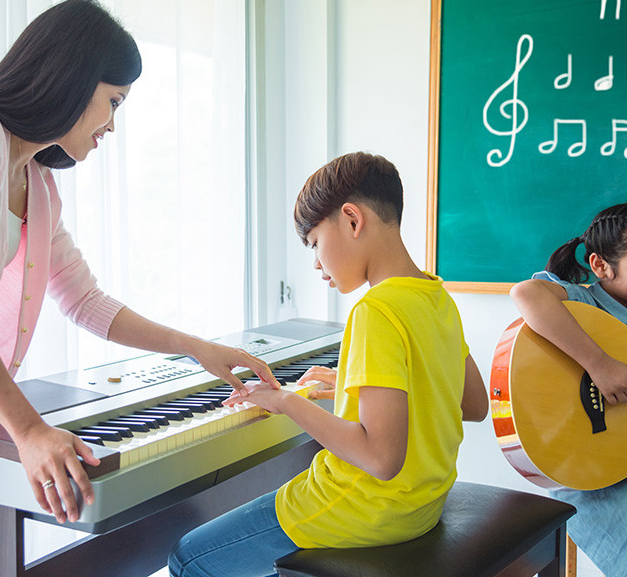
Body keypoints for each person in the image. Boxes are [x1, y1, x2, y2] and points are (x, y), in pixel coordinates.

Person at [0, 0, 278, 577]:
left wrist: (196, 348)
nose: (113, 124)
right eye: (113, 102)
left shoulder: (37, 186)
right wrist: (29, 431)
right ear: (71, 77)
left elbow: (85, 301)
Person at [167, 151, 489, 577]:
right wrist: (357, 386)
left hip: (363, 511)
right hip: (420, 508)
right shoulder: (436, 296)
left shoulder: (375, 311)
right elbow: (473, 404)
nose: (317, 264)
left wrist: (286, 401)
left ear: (353, 220)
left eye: (315, 243)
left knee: (187, 557)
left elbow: (381, 458)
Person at [510, 202, 627, 577]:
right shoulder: (585, 302)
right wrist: (600, 365)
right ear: (600, 266)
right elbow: (527, 294)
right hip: (595, 477)